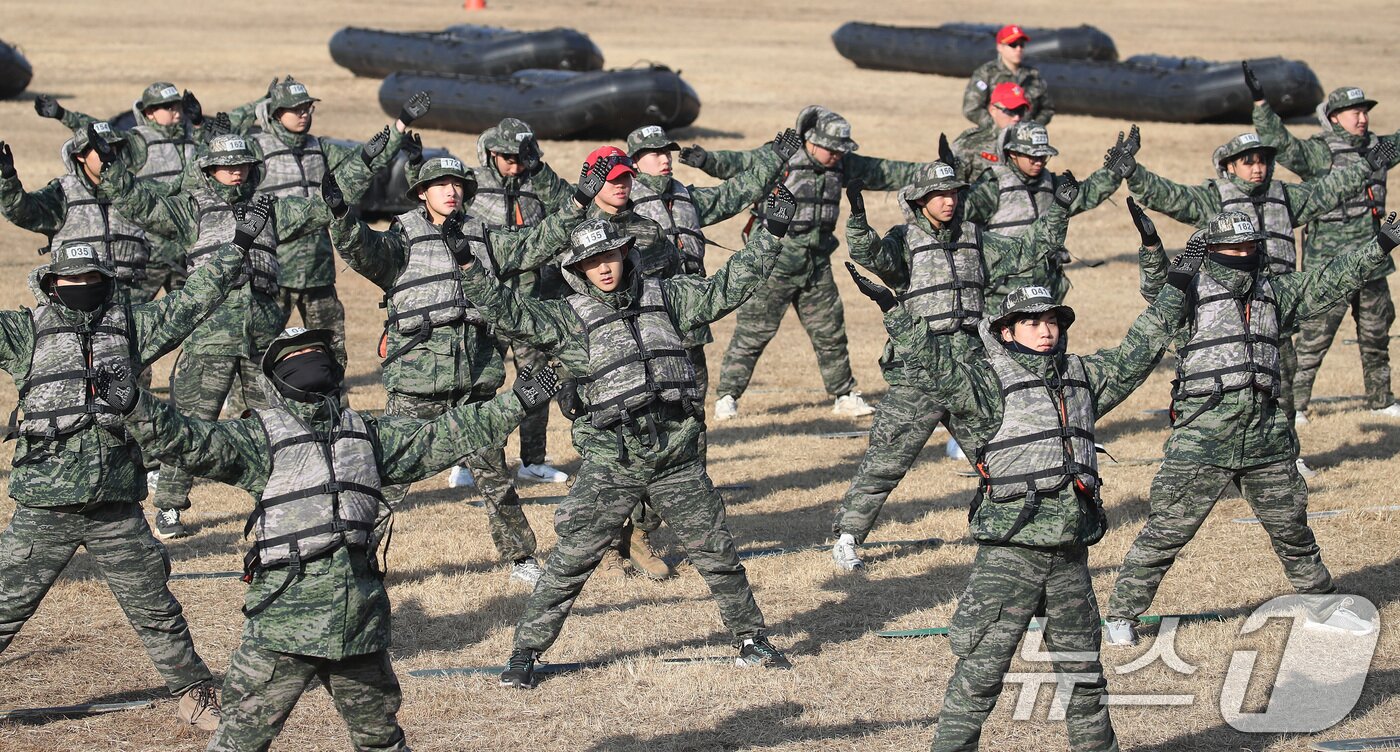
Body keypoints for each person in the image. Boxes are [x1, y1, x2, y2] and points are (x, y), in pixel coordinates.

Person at [104, 327, 562, 750]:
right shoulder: (258, 438)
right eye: (294, 357)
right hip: (283, 625)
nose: (307, 360)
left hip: (357, 624)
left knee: (382, 740)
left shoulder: (371, 435)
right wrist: (135, 406)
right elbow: (189, 441)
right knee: (237, 742)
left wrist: (517, 401)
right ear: (275, 379)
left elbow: (447, 433)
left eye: (315, 353)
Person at [455, 188, 801, 688]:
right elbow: (507, 309)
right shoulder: (565, 318)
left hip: (675, 453)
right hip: (612, 461)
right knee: (573, 559)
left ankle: (751, 637)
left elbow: (728, 288)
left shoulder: (669, 296)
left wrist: (771, 233)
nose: (603, 267)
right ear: (579, 268)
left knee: (717, 551)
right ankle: (525, 654)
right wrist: (467, 264)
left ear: (624, 254)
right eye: (592, 261)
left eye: (610, 256)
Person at [847, 263, 1194, 752]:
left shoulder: (1082, 377)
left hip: (1070, 554)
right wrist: (894, 310)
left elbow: (1140, 348)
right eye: (1032, 322)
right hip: (1012, 554)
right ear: (1006, 331)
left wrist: (1177, 286)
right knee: (980, 676)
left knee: (1085, 679)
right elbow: (933, 365)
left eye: (1053, 320)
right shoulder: (985, 384)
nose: (1046, 330)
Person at [0, 201, 271, 732]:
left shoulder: (134, 327)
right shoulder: (23, 332)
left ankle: (195, 695)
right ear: (52, 283)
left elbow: (196, 299)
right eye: (72, 278)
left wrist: (236, 245)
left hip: (116, 506)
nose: (83, 285)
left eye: (93, 277)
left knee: (156, 609)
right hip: (42, 510)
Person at [1104, 210, 1400, 646]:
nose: (1242, 253)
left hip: (1266, 435)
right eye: (1232, 247)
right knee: (1167, 531)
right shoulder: (1189, 291)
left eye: (1249, 245)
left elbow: (1331, 280)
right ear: (1212, 250)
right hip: (1202, 437)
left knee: (1292, 528)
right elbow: (1157, 294)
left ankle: (1322, 603)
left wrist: (1380, 245)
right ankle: (1121, 615)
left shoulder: (1275, 293)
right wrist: (1152, 248)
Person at [324, 153, 595, 586]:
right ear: (422, 193)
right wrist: (341, 214)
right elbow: (361, 250)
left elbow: (538, 242)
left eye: (457, 185)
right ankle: (355, 559)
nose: (451, 191)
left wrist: (579, 200)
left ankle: (521, 558)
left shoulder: (484, 238)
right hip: (418, 380)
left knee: (494, 474)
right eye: (441, 184)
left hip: (475, 378)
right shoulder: (400, 239)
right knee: (390, 473)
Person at [830, 161, 1075, 571]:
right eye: (939, 195)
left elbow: (1026, 250)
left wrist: (1060, 209)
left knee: (997, 450)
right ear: (920, 200)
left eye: (954, 193)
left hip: (972, 369)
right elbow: (871, 254)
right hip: (920, 368)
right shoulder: (904, 239)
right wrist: (857, 217)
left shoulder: (975, 238)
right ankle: (848, 537)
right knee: (888, 458)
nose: (949, 201)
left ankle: (1014, 530)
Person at [95, 131, 334, 539]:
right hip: (208, 336)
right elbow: (142, 203)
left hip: (263, 341)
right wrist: (112, 168)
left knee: (280, 421)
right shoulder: (193, 211)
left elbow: (320, 209)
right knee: (189, 422)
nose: (235, 172)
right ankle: (169, 504)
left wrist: (359, 169)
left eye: (241, 165)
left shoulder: (270, 210)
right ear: (208, 171)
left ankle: (282, 495)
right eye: (226, 166)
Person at [1124, 127, 1395, 450]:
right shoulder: (1215, 197)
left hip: (1275, 300)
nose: (1257, 168)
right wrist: (1133, 173)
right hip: (1224, 309)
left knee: (1283, 376)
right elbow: (1171, 195)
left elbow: (1329, 190)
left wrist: (1367, 166)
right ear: (1229, 166)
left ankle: (1286, 452)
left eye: (1263, 161)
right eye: (1248, 162)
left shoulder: (1285, 196)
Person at [682, 106, 930, 421]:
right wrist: (707, 161)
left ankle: (844, 394)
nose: (837, 155)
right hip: (775, 262)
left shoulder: (843, 165)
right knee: (752, 332)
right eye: (831, 149)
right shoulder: (782, 158)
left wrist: (931, 170)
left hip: (817, 263)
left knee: (831, 332)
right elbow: (740, 165)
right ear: (811, 141)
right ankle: (727, 396)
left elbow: (887, 171)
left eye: (842, 150)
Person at [238, 79, 431, 369]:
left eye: (308, 107)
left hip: (318, 268)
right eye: (296, 109)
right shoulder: (255, 149)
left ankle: (335, 409)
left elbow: (366, 161)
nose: (304, 113)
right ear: (277, 113)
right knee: (259, 348)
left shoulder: (321, 147)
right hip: (273, 270)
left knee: (332, 348)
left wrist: (402, 122)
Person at [1249, 73, 1400, 420]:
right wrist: (1261, 104)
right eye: (1353, 112)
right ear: (1333, 117)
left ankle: (1381, 398)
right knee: (1314, 340)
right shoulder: (1319, 152)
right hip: (1328, 268)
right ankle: (1297, 404)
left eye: (1365, 111)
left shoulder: (1379, 148)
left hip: (1374, 260)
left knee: (1377, 334)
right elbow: (1279, 142)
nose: (1362, 118)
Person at [470, 117, 575, 485]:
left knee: (535, 381)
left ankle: (533, 460)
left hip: (530, 303)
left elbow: (570, 208)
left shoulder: (539, 183)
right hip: (484, 304)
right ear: (491, 153)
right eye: (508, 156)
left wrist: (539, 168)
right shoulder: (472, 185)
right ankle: (471, 461)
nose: (515, 164)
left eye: (521, 156)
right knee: (480, 384)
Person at [36, 83, 205, 300]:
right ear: (149, 113)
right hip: (150, 250)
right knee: (132, 316)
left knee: (191, 313)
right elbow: (95, 133)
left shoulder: (194, 136)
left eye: (177, 106)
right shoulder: (138, 142)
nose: (176, 111)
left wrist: (201, 125)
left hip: (186, 246)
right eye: (168, 107)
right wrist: (62, 114)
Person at [962, 121, 1138, 301]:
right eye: (1033, 157)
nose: (1039, 162)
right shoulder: (992, 186)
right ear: (1013, 153)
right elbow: (958, 214)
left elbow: (1086, 194)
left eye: (1043, 156)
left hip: (1047, 285)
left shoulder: (1051, 183)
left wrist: (1115, 170)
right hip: (1003, 293)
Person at [0, 124, 153, 300]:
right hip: (79, 300)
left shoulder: (136, 190)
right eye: (100, 148)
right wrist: (8, 179)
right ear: (81, 156)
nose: (108, 154)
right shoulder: (62, 193)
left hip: (131, 299)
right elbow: (22, 212)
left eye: (112, 148)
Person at [962, 24, 1054, 128]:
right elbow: (971, 109)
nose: (1018, 49)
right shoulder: (986, 74)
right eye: (1013, 45)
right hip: (995, 139)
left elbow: (1047, 108)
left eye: (1021, 45)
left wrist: (1033, 127)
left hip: (1026, 139)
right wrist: (996, 127)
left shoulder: (1033, 75)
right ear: (1000, 47)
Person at [950, 83, 1028, 183]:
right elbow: (952, 185)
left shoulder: (1027, 144)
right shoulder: (971, 143)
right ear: (993, 110)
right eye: (1011, 111)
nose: (1017, 117)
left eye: (1021, 111)